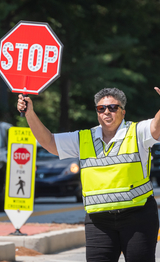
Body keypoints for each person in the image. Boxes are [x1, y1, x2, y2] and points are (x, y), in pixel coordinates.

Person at [17, 87, 160, 262]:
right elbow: (49, 142)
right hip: (99, 221)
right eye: (101, 108)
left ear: (123, 112)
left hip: (138, 217)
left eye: (113, 108)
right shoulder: (84, 138)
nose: (107, 112)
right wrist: (30, 113)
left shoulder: (138, 132)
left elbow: (156, 125)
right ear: (97, 113)